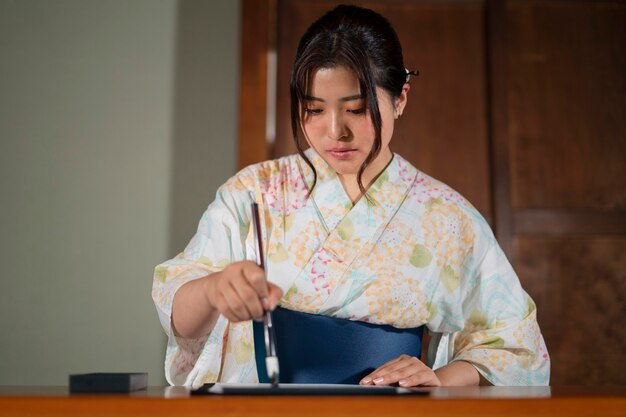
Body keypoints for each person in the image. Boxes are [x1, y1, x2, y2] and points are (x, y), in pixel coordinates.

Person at [152, 4, 550, 388]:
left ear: (401, 98)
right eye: (314, 110)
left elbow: (516, 345)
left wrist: (439, 377)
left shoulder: (446, 216)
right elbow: (179, 314)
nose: (334, 131)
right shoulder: (253, 192)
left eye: (357, 109)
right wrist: (213, 289)